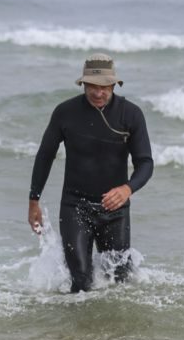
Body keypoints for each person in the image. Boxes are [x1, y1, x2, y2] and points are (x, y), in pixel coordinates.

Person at [29, 53, 154, 293]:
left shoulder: (131, 115)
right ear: (83, 84)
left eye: (105, 87)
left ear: (114, 85)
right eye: (93, 86)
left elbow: (146, 163)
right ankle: (77, 330)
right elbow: (45, 155)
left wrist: (127, 188)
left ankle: (112, 330)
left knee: (119, 281)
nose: (98, 93)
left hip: (115, 210)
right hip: (75, 206)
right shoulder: (65, 113)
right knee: (80, 283)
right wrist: (33, 200)